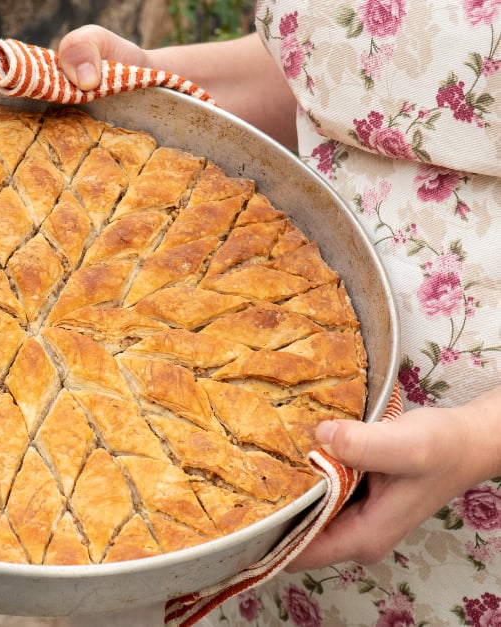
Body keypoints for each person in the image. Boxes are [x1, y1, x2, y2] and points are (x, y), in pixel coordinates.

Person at [59, 3, 501, 624]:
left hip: (461, 541)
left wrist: (479, 439)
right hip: (260, 472)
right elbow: (349, 76)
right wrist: (158, 79)